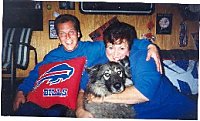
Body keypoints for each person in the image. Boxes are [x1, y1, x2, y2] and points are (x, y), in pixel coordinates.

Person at [12, 14, 161, 116]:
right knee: (24, 112)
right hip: (50, 93)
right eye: (63, 34)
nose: (68, 37)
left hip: (69, 100)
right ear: (58, 36)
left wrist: (149, 45)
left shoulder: (93, 48)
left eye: (71, 32)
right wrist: (21, 91)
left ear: (78, 33)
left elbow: (120, 43)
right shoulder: (53, 55)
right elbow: (37, 72)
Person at [75, 22, 197, 119]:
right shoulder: (101, 62)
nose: (115, 54)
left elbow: (143, 94)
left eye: (121, 48)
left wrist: (100, 98)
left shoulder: (143, 57)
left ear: (130, 47)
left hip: (177, 111)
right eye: (111, 47)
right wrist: (80, 110)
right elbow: (82, 90)